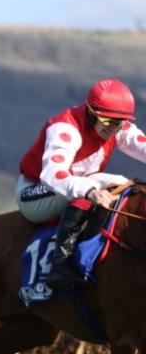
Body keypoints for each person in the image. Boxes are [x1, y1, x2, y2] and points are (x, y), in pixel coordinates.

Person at [16, 78, 146, 289]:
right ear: (90, 112)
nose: (112, 128)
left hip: (71, 189)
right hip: (35, 193)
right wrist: (90, 191)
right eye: (106, 121)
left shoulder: (117, 125)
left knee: (121, 184)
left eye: (119, 123)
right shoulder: (65, 129)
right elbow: (52, 175)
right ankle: (60, 265)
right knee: (102, 182)